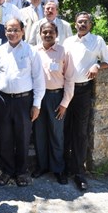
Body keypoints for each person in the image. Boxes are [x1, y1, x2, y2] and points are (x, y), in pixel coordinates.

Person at [0, 18, 45, 187]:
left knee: (23, 138)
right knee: (4, 138)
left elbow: (38, 79)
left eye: (15, 30)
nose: (11, 33)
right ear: (5, 31)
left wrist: (37, 104)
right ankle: (7, 171)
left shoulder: (31, 51)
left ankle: (21, 172)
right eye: (8, 30)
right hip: (2, 101)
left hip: (24, 101)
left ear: (22, 31)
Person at [63, 11, 108, 191]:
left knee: (80, 132)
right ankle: (64, 168)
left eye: (86, 22)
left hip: (83, 91)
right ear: (75, 24)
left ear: (90, 25)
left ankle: (79, 172)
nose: (82, 24)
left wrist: (97, 65)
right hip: (65, 89)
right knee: (64, 129)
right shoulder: (68, 42)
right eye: (79, 22)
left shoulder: (97, 41)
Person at [32, 22, 74, 185]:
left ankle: (58, 169)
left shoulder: (63, 51)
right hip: (38, 98)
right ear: (40, 34)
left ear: (56, 34)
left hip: (56, 97)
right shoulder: (34, 51)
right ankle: (42, 166)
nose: (48, 35)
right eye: (45, 32)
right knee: (39, 133)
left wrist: (65, 103)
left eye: (51, 32)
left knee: (57, 134)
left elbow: (70, 79)